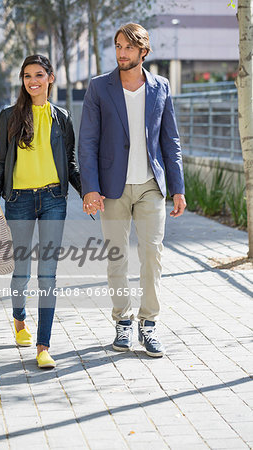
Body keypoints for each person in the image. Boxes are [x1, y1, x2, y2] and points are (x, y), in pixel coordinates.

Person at [78, 23, 186, 357]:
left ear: (143, 51)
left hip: (151, 186)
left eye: (128, 47)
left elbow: (171, 140)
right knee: (117, 259)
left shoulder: (160, 87)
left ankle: (149, 324)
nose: (122, 53)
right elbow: (88, 142)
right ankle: (122, 322)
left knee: (152, 255)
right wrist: (90, 189)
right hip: (112, 189)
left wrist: (178, 187)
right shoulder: (99, 88)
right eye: (118, 46)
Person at [0, 54, 81, 368]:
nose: (33, 81)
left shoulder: (62, 117)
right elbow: (1, 162)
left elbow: (70, 165)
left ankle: (43, 346)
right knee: (22, 272)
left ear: (50, 78)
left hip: (54, 198)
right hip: (19, 201)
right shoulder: (9, 116)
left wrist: (89, 193)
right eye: (27, 76)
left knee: (48, 275)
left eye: (39, 75)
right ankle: (19, 320)